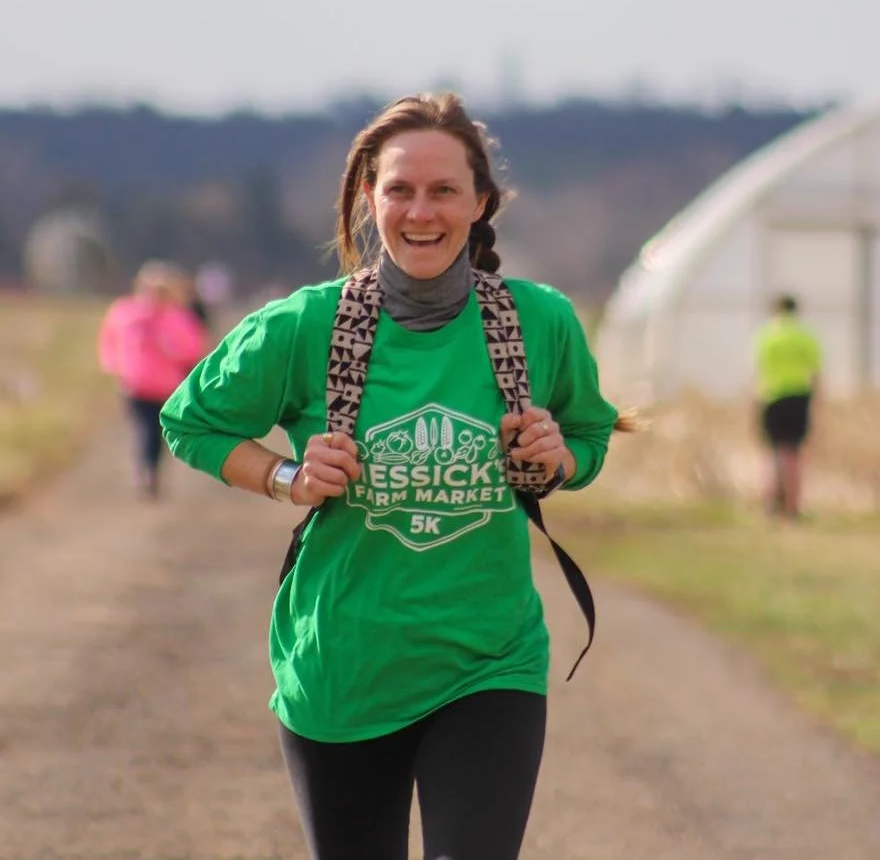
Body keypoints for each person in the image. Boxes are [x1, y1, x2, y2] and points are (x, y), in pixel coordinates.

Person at [160, 93, 630, 860]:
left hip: (490, 660)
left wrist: (560, 456)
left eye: (444, 189)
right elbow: (190, 420)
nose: (421, 211)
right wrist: (287, 476)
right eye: (400, 190)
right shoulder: (303, 326)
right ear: (367, 200)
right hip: (344, 667)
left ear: (481, 203)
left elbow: (590, 432)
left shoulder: (538, 321)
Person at [98, 259, 207, 499]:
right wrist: (114, 365)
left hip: (162, 388)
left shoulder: (173, 317)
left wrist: (169, 348)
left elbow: (192, 348)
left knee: (155, 432)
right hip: (137, 386)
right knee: (146, 429)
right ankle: (147, 472)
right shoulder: (125, 312)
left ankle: (149, 471)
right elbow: (110, 341)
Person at [753, 293, 822, 519]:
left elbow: (758, 371)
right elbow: (816, 372)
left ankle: (769, 504)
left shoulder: (766, 336)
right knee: (793, 454)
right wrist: (817, 402)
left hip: (771, 397)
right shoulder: (804, 336)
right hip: (798, 397)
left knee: (771, 453)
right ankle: (792, 507)